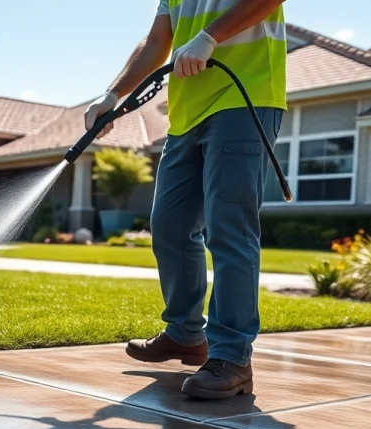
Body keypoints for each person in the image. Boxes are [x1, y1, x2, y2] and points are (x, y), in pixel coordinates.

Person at [84, 0, 288, 400]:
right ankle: (186, 334)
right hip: (186, 113)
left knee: (229, 227)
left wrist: (209, 37)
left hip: (243, 96)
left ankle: (231, 358)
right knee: (170, 226)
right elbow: (159, 38)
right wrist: (113, 94)